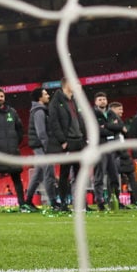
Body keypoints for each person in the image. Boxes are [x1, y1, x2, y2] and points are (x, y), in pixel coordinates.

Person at [46, 82, 87, 211]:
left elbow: (80, 120)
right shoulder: (56, 101)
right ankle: (63, 203)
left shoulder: (74, 100)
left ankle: (81, 203)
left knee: (80, 173)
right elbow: (54, 122)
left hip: (79, 140)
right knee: (64, 174)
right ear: (66, 85)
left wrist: (84, 138)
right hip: (68, 141)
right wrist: (62, 140)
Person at [24, 87, 60, 211]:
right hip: (42, 147)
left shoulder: (39, 110)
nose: (48, 96)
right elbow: (41, 133)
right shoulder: (39, 111)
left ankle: (27, 202)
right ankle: (54, 202)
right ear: (40, 97)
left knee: (38, 174)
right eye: (45, 94)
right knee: (49, 173)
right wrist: (48, 148)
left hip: (39, 146)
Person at [92, 91, 125, 210]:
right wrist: (111, 128)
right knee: (99, 176)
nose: (102, 101)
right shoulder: (92, 114)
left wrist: (105, 126)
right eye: (100, 99)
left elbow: (120, 126)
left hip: (112, 149)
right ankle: (100, 202)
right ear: (95, 102)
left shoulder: (111, 113)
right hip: (100, 148)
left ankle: (114, 201)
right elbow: (95, 130)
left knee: (114, 177)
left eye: (104, 99)